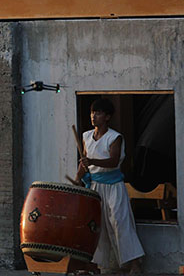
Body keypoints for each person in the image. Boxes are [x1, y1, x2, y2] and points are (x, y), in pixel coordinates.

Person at [73, 98, 144, 274]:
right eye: (92, 112)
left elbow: (113, 161)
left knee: (120, 222)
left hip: (114, 186)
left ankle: (135, 264)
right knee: (95, 225)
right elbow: (84, 163)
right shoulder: (86, 136)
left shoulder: (115, 137)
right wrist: (76, 180)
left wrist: (91, 161)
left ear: (107, 117)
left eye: (98, 113)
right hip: (95, 186)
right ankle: (95, 264)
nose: (93, 116)